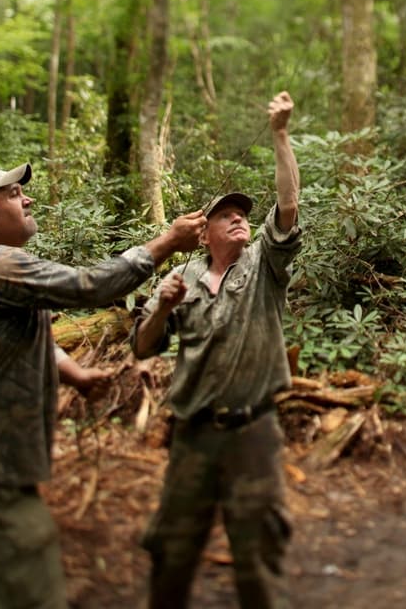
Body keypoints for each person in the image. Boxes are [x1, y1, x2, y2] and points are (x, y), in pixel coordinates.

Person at [0, 161, 206, 609]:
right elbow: (89, 286)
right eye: (13, 195)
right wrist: (166, 242)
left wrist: (76, 375)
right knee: (31, 588)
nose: (27, 199)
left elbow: (18, 337)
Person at [132, 91, 300, 609]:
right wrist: (161, 307)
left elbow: (289, 206)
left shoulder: (263, 266)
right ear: (202, 234)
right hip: (192, 438)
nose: (238, 220)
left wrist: (280, 135)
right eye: (225, 216)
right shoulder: (178, 278)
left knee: (259, 559)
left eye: (241, 215)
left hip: (254, 434)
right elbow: (142, 348)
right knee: (172, 552)